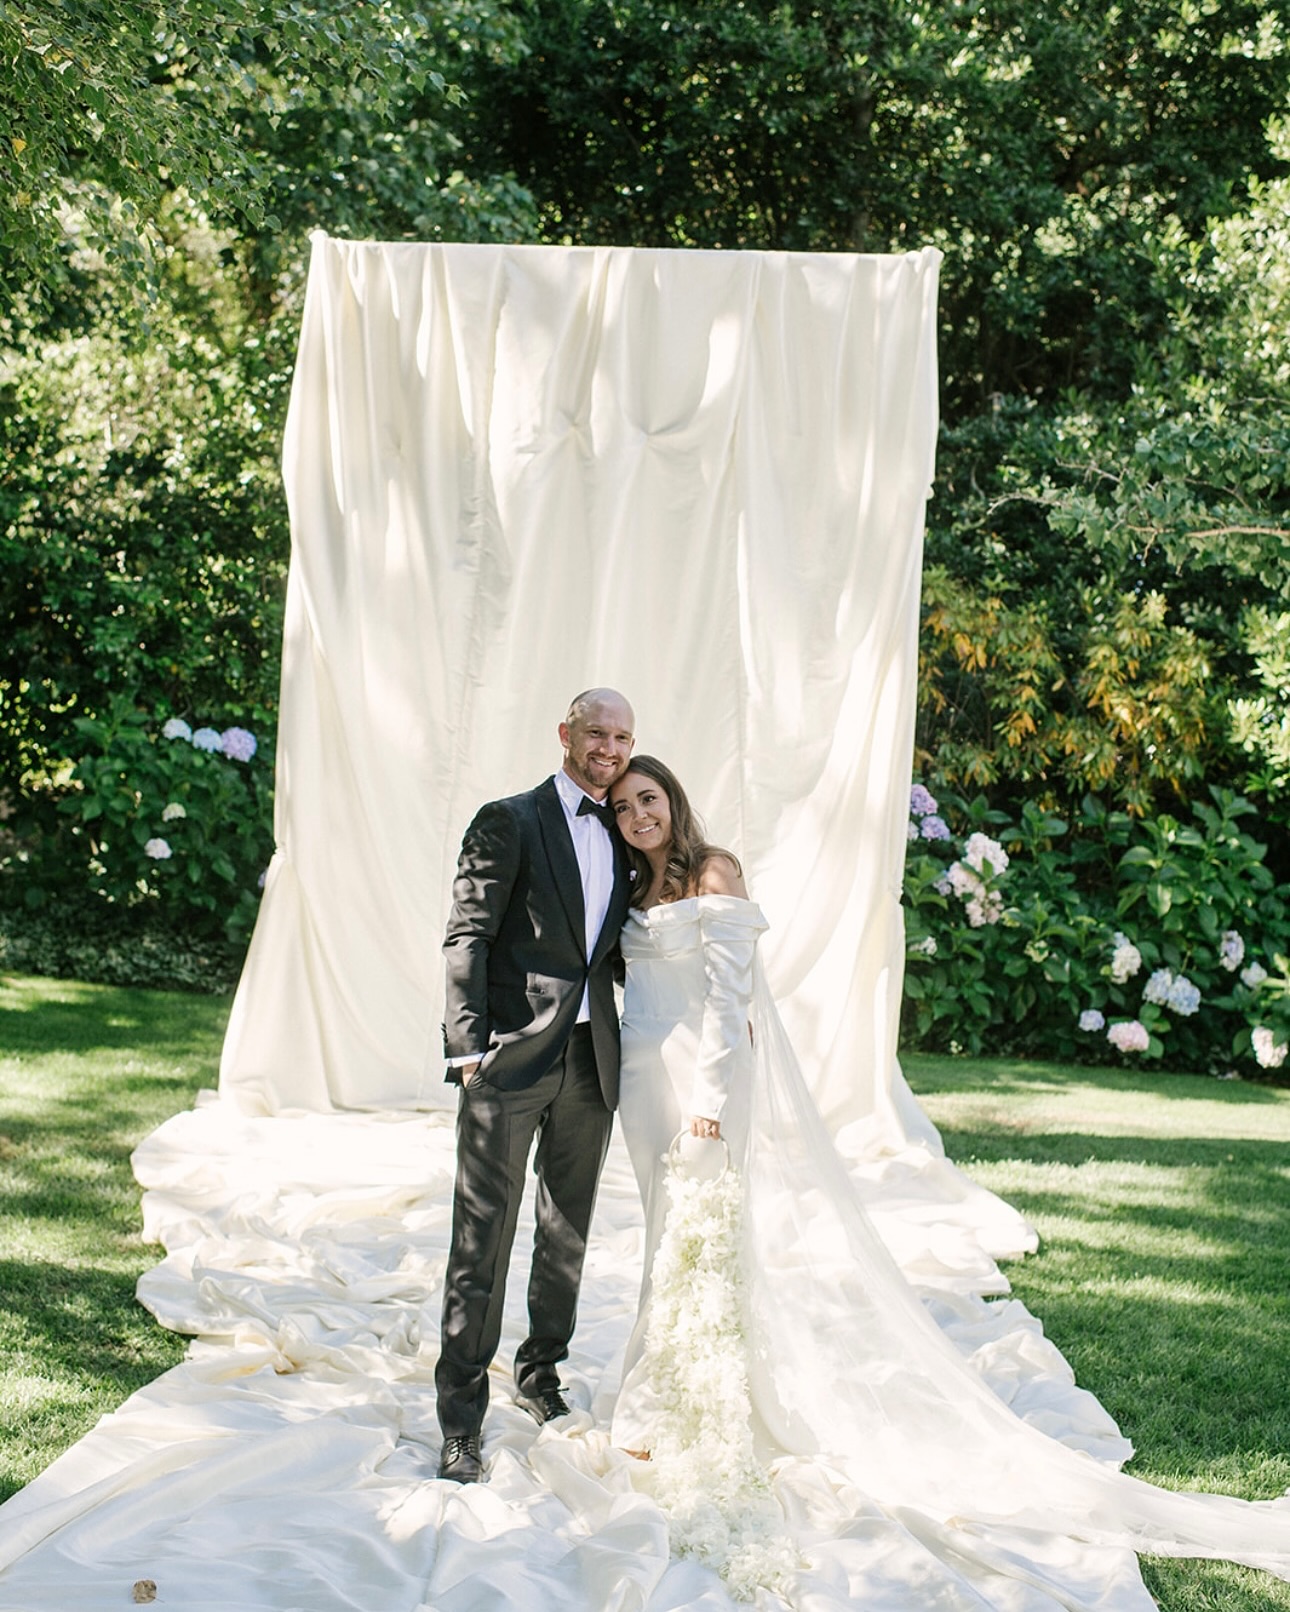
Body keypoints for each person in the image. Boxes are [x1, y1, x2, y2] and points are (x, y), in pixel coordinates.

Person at [606, 754, 1290, 1602]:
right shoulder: (630, 886)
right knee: (664, 1232)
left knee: (703, 1234)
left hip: (705, 1082)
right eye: (623, 806)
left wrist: (711, 1104)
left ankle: (678, 1406)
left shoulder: (715, 871)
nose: (638, 815)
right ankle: (662, 1394)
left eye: (648, 798)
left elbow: (727, 996)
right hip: (644, 1079)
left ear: (673, 799)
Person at [435, 688, 636, 1484]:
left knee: (566, 1229)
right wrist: (467, 1050)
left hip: (593, 1060)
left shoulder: (627, 830)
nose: (608, 748)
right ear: (566, 733)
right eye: (597, 732)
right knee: (481, 1238)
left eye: (622, 737)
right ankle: (460, 1421)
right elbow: (468, 935)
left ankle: (540, 1372)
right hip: (509, 1059)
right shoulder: (508, 820)